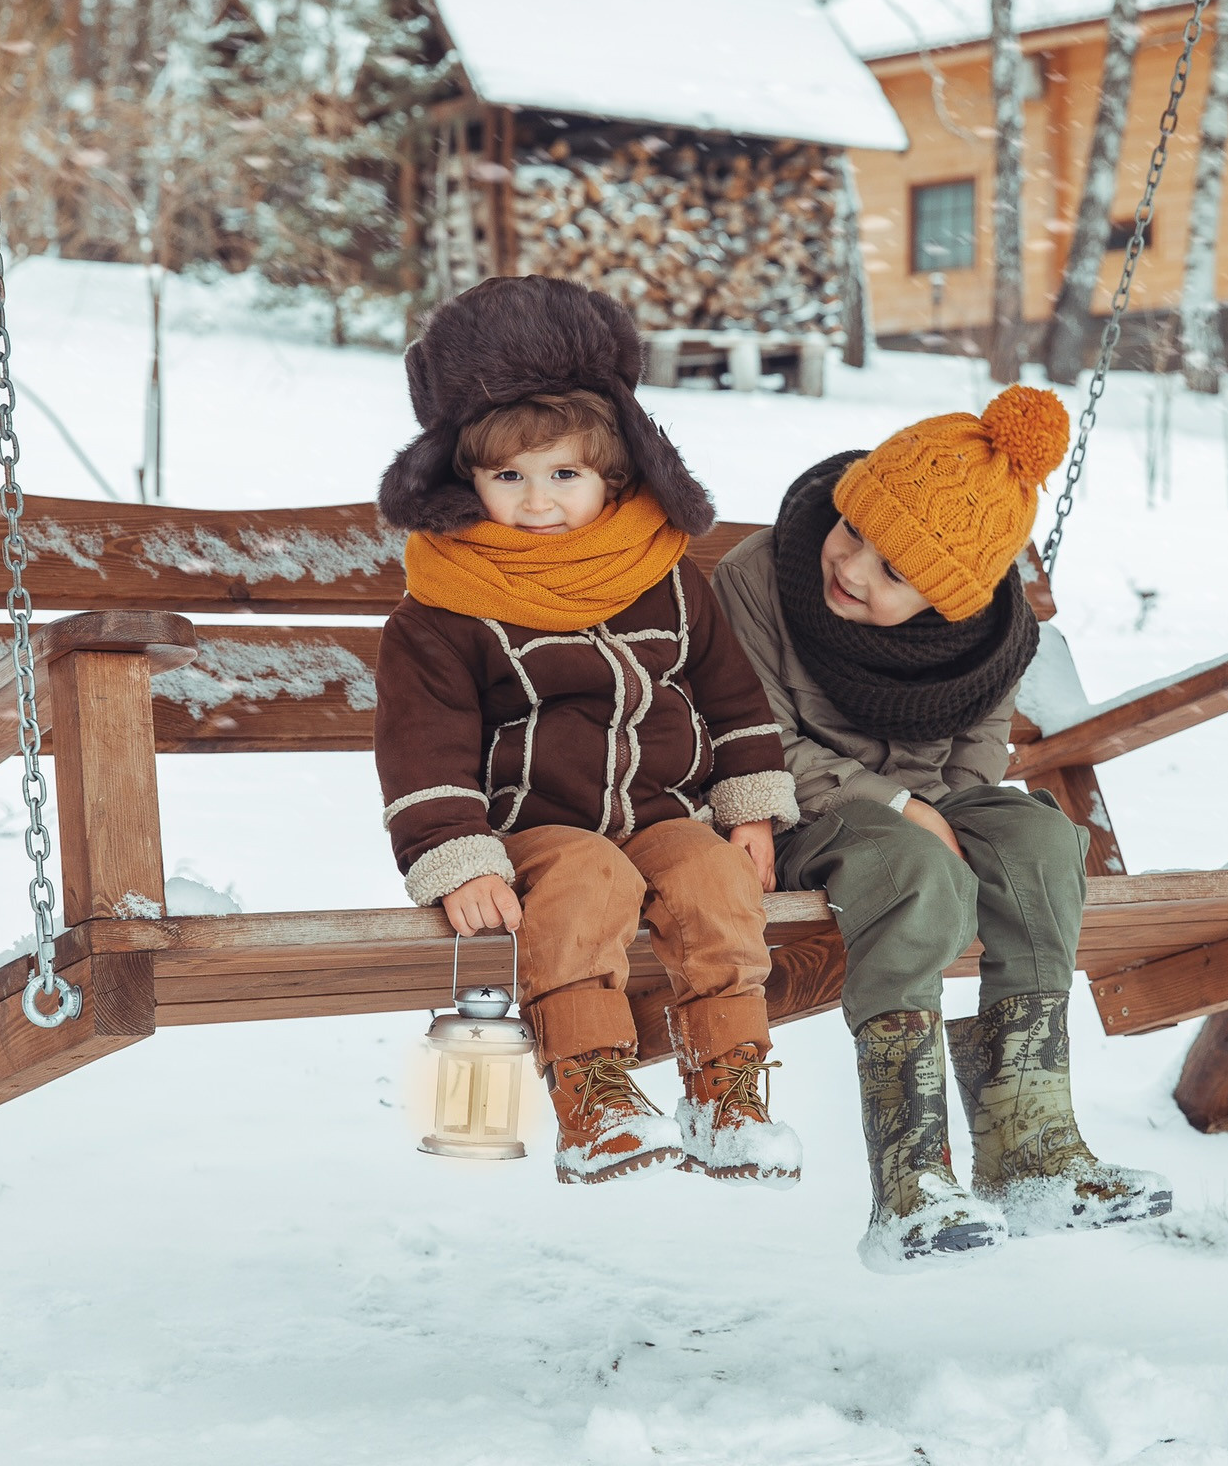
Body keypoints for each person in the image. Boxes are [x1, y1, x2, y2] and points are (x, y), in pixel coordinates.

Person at [714, 386, 1172, 1269]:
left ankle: (1031, 1148)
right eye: (855, 535)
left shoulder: (991, 638)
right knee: (914, 869)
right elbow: (755, 738)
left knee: (1040, 842)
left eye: (894, 574)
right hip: (802, 817)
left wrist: (958, 812)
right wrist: (905, 809)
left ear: (949, 601)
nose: (852, 568)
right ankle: (912, 1181)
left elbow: (982, 740)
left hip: (925, 815)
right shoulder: (758, 579)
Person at [374, 275, 800, 1188]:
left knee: (714, 882)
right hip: (537, 826)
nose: (537, 501)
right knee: (588, 878)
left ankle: (730, 1089)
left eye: (563, 474)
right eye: (508, 477)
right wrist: (459, 853)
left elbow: (730, 698)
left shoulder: (667, 575)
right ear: (466, 480)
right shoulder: (446, 605)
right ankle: (594, 1095)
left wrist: (751, 808)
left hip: (662, 810)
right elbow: (424, 742)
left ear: (610, 475)